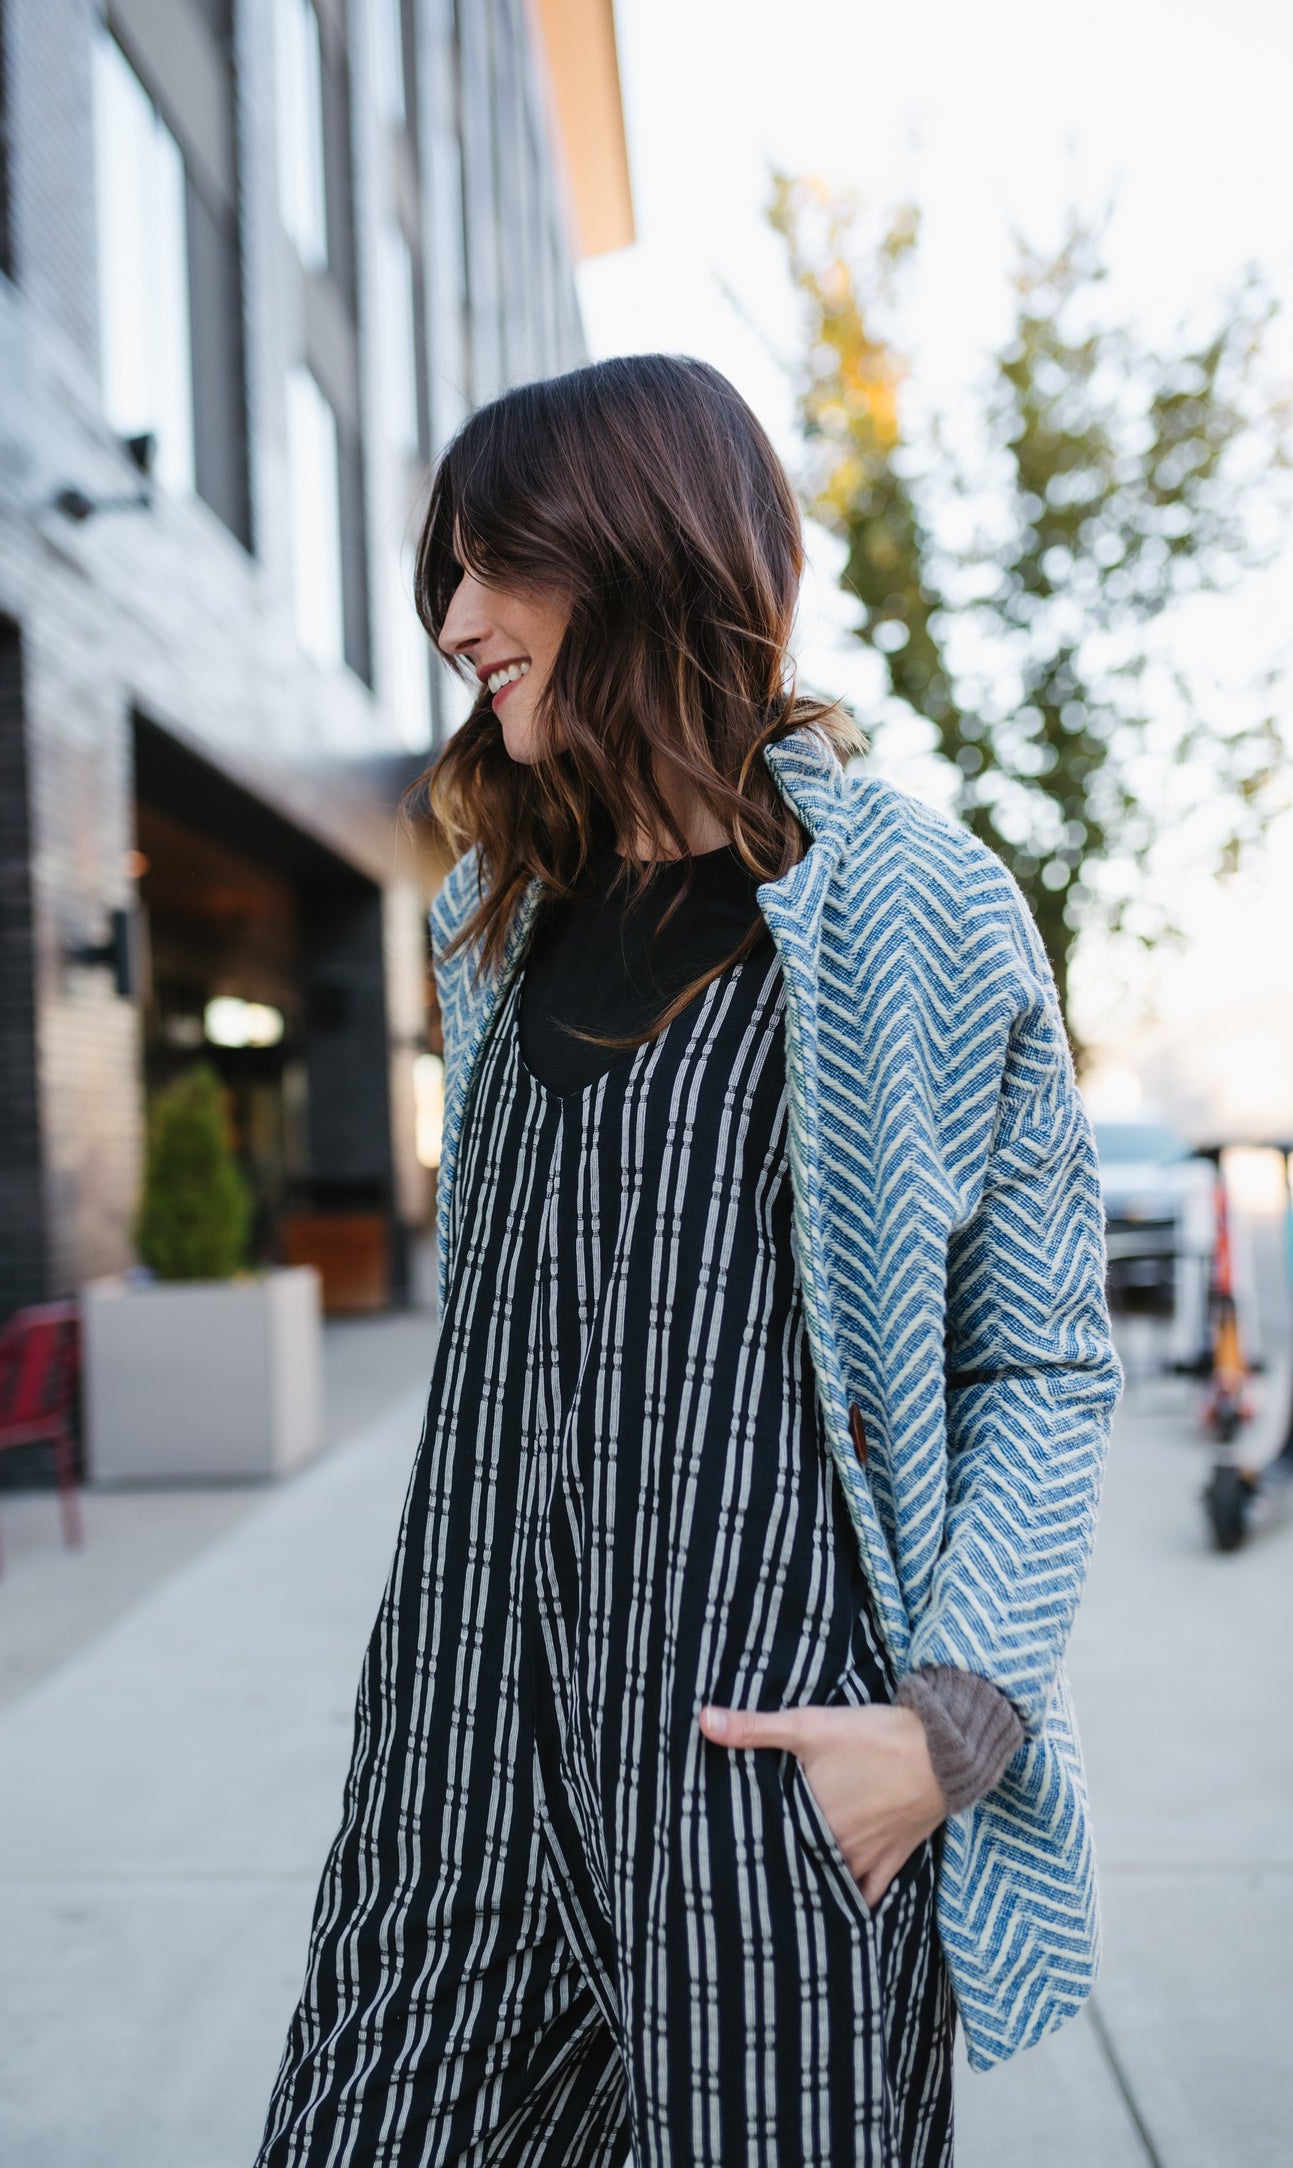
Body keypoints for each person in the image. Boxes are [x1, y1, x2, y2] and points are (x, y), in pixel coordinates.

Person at [256, 355, 1121, 2167]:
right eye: (447, 580)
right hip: (466, 1739)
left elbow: (1040, 1358)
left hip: (761, 1770)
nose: (459, 621)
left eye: (496, 566)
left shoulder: (916, 906)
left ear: (643, 551)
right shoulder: (491, 924)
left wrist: (947, 1728)